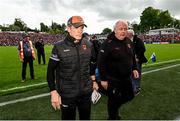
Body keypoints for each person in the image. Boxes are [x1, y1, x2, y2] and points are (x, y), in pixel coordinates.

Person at [47, 16, 98, 120]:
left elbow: (92, 63)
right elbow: (50, 71)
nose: (80, 30)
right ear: (69, 28)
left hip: (86, 92)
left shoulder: (88, 44)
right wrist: (53, 91)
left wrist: (93, 80)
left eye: (82, 27)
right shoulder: (59, 47)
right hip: (67, 94)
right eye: (76, 27)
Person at [97, 20, 139, 120]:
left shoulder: (128, 41)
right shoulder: (107, 43)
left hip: (126, 78)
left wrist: (134, 68)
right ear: (115, 30)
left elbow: (132, 56)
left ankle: (114, 110)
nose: (123, 31)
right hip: (112, 79)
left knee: (130, 96)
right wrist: (103, 79)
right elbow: (100, 62)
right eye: (121, 29)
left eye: (125, 29)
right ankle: (112, 117)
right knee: (113, 98)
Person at [127, 29, 147, 95]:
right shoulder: (127, 40)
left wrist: (137, 57)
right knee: (130, 74)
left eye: (127, 33)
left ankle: (137, 88)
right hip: (130, 61)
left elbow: (143, 49)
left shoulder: (138, 40)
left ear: (131, 34)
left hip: (137, 61)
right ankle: (132, 87)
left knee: (137, 74)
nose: (126, 34)